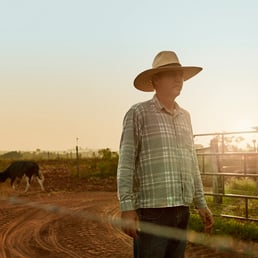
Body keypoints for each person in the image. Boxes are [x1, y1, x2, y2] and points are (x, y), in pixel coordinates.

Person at [117, 50, 214, 258]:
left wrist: (201, 203)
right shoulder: (138, 113)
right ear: (155, 81)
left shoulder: (185, 117)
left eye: (180, 74)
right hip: (153, 211)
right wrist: (127, 208)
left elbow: (192, 163)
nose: (178, 79)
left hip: (182, 210)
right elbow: (126, 163)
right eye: (172, 74)